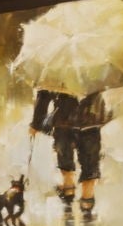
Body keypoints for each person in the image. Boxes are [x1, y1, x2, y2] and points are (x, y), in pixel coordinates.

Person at [30, 88, 110, 216]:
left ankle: (69, 188)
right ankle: (87, 198)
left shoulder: (60, 74)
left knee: (64, 153)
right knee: (90, 157)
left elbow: (46, 90)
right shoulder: (95, 76)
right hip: (91, 117)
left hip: (65, 117)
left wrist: (37, 123)